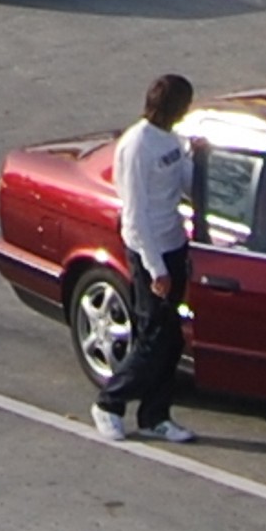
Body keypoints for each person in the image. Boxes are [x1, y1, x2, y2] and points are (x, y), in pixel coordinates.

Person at [102, 74, 199, 444]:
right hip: (150, 251)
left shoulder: (171, 139)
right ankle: (110, 402)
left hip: (174, 243)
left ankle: (155, 416)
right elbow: (136, 214)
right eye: (184, 103)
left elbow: (184, 182)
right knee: (154, 337)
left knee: (170, 340)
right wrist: (155, 268)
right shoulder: (137, 145)